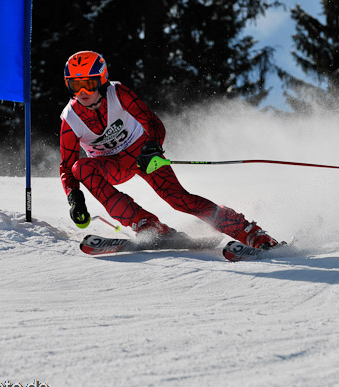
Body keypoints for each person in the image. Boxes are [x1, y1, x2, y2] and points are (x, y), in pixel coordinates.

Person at [59, 50, 279, 249]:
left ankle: (250, 232)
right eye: (75, 85)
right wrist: (74, 197)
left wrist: (152, 148)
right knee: (82, 167)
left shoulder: (118, 94)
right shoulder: (71, 118)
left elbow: (153, 123)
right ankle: (147, 224)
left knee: (178, 199)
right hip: (112, 166)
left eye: (89, 83)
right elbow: (67, 167)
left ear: (102, 80)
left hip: (141, 154)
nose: (83, 91)